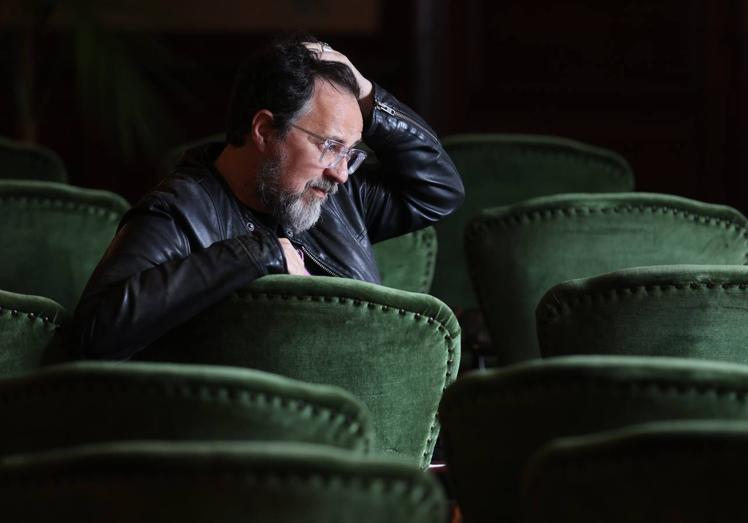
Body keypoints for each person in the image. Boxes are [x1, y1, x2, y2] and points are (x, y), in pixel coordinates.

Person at [73, 35, 464, 360]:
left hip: (362, 428)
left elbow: (439, 190)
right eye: (329, 146)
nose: (341, 172)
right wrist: (256, 254)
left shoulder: (337, 198)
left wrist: (367, 95)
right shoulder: (181, 209)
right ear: (263, 130)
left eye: (350, 152)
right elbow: (94, 332)